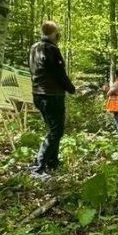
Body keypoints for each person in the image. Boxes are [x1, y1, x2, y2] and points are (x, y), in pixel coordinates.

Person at [29, 20, 76, 177]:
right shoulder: (51, 49)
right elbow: (59, 74)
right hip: (51, 95)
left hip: (38, 94)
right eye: (58, 33)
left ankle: (52, 162)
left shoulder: (34, 47)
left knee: (54, 129)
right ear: (55, 33)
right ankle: (38, 166)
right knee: (56, 131)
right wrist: (71, 88)